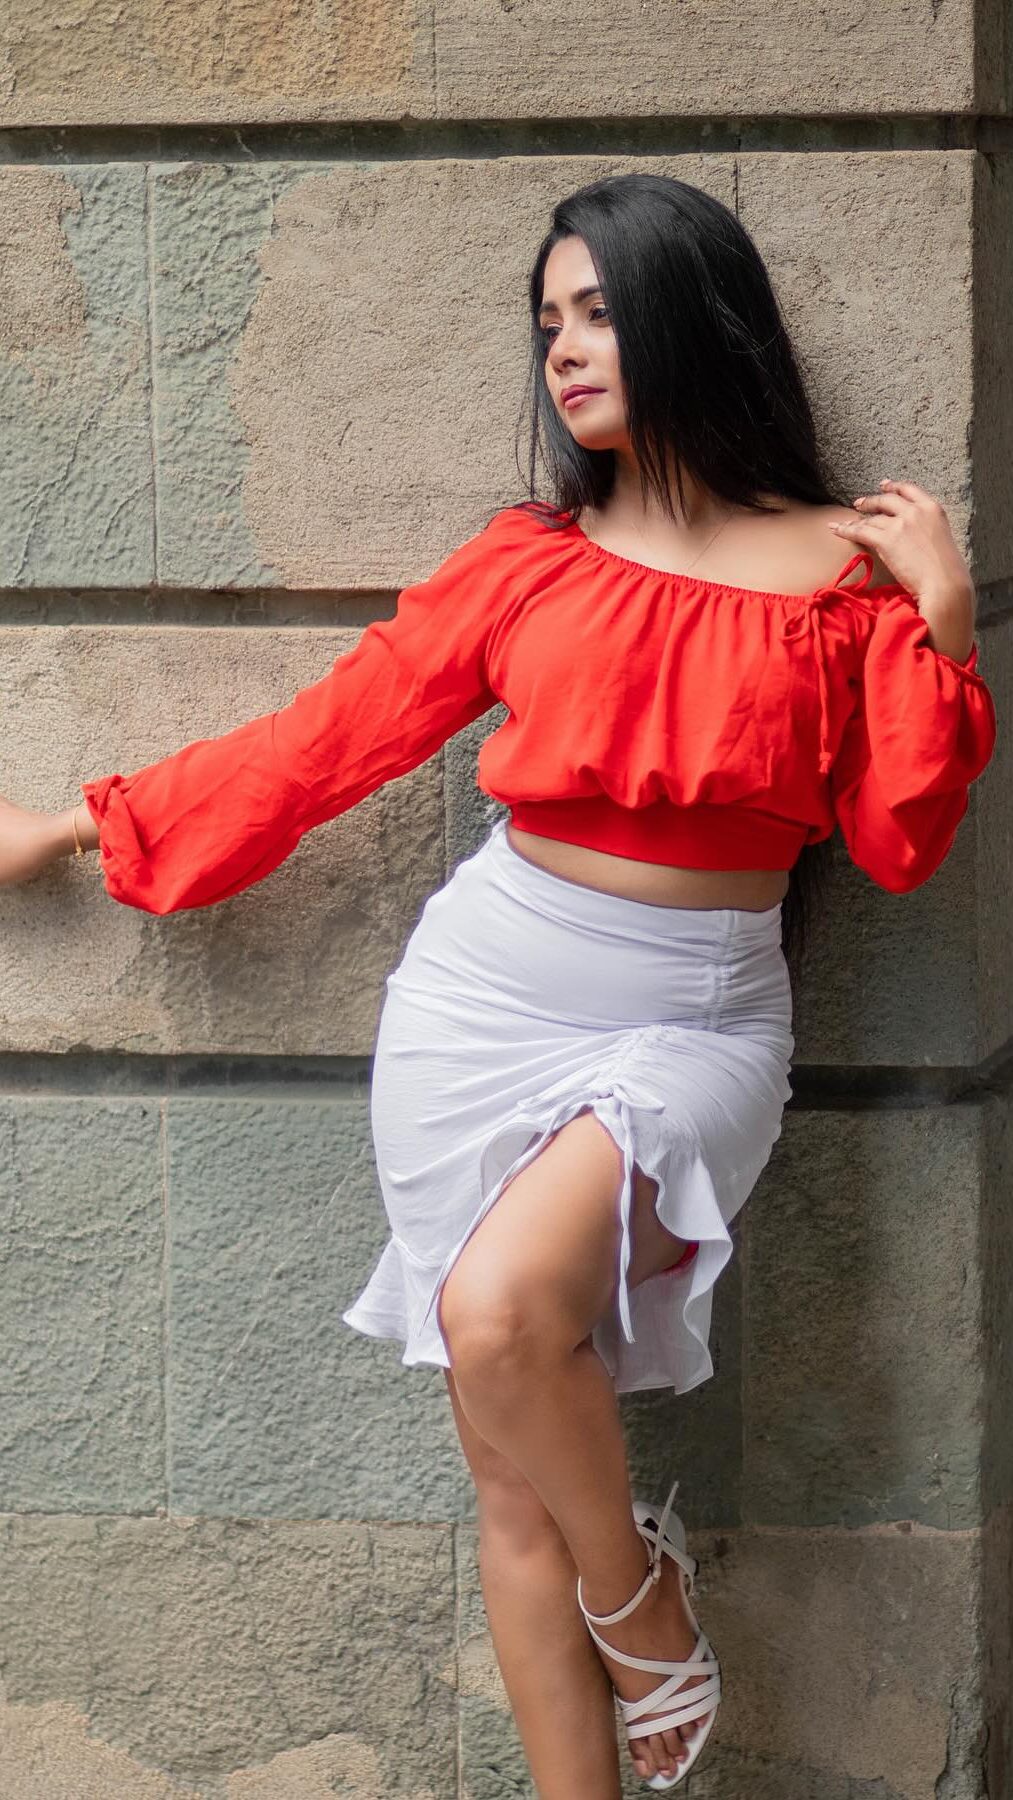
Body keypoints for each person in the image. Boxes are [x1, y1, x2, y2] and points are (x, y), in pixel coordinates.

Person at [0, 173, 997, 1796]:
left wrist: (942, 627)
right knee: (510, 1479)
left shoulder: (849, 580)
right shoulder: (530, 562)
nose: (565, 350)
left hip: (691, 1022)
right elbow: (331, 738)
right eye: (546, 322)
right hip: (477, 1001)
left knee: (494, 1317)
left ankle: (643, 1601)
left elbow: (893, 843)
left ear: (693, 315)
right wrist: (74, 826)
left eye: (599, 309)